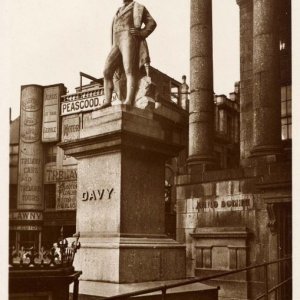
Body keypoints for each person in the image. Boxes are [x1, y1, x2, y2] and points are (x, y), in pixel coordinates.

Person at [102, 0, 157, 108]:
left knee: (129, 69)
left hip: (129, 39)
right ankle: (107, 101)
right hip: (116, 42)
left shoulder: (138, 7)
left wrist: (141, 33)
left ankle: (129, 100)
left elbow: (152, 23)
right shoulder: (118, 10)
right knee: (107, 71)